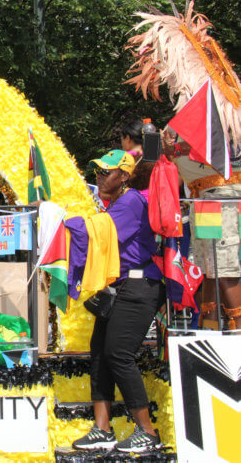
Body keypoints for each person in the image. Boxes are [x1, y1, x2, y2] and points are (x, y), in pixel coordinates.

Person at [71, 150, 165, 453]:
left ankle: (147, 432)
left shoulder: (130, 201)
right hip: (120, 288)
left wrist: (56, 219)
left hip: (140, 286)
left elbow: (98, 235)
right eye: (97, 172)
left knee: (118, 354)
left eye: (105, 172)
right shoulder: (118, 202)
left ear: (124, 176)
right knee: (99, 354)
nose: (99, 177)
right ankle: (102, 428)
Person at [161, 126, 241, 329]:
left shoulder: (218, 101)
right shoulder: (185, 112)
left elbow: (212, 143)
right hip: (204, 197)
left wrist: (174, 149)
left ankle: (238, 331)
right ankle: (210, 328)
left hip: (224, 195)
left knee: (224, 268)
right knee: (209, 268)